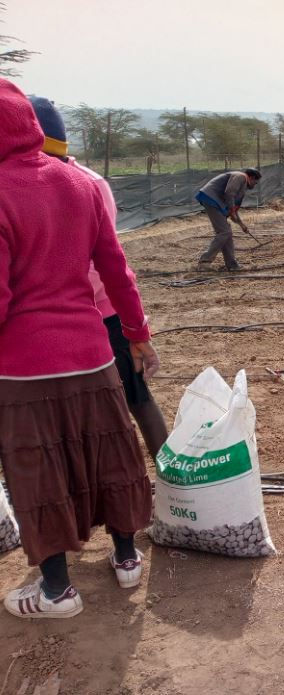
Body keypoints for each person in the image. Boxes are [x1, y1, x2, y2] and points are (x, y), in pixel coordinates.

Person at [0, 78, 159, 618]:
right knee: (107, 451)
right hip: (93, 354)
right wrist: (136, 334)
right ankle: (126, 557)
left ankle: (57, 591)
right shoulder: (80, 183)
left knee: (39, 469)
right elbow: (117, 271)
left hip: (22, 368)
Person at [28, 96, 169, 461]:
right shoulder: (72, 181)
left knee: (134, 398)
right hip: (83, 314)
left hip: (97, 314)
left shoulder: (84, 184)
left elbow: (105, 261)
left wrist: (136, 327)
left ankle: (175, 481)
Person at [195, 167, 262, 271]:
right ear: (252, 177)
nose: (255, 185)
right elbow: (229, 193)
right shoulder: (241, 177)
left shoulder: (242, 184)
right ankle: (204, 262)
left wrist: (241, 225)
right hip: (211, 199)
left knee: (227, 233)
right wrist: (231, 211)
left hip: (215, 201)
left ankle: (232, 265)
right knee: (224, 232)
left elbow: (233, 210)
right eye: (256, 182)